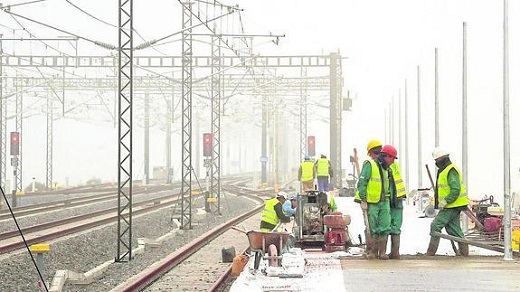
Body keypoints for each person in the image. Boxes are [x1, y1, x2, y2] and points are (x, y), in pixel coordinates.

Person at [426, 147, 470, 256]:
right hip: (452, 205)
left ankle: (430, 253)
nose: (436, 163)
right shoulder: (445, 170)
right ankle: (464, 253)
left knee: (435, 226)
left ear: (442, 159)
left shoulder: (451, 170)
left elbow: (455, 189)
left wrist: (446, 201)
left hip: (452, 205)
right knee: (454, 230)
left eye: (437, 161)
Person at [355, 139, 393, 260]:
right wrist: (364, 200)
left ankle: (381, 252)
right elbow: (362, 183)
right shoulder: (369, 165)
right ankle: (372, 251)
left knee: (385, 227)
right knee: (372, 228)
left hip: (384, 201)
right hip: (372, 202)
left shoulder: (385, 167)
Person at [382, 145, 405, 259]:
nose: (393, 160)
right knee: (387, 226)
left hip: (396, 199)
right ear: (386, 156)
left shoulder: (391, 166)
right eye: (392, 158)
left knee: (394, 227)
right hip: (392, 199)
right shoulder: (385, 167)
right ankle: (386, 253)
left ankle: (395, 252)